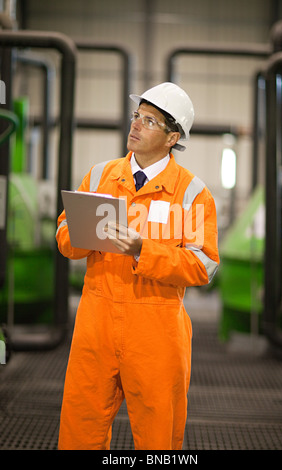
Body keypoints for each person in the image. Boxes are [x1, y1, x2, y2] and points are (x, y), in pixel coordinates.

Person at [56, 82, 219, 450]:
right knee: (81, 426)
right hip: (95, 323)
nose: (135, 125)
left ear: (172, 136)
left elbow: (203, 264)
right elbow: (65, 237)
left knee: (159, 434)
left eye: (149, 121)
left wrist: (143, 250)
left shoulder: (190, 192)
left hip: (156, 331)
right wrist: (83, 233)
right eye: (136, 116)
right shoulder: (101, 176)